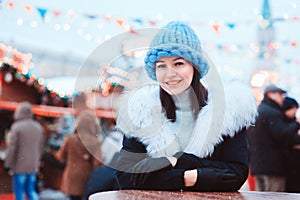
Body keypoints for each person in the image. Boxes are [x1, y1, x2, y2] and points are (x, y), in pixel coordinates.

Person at [114, 21, 257, 191]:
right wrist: (193, 176)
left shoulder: (227, 111)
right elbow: (126, 177)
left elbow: (236, 175)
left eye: (178, 64)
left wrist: (175, 161)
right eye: (161, 66)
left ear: (194, 66)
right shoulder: (141, 112)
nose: (170, 74)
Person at [248, 85, 300, 192]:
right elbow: (282, 134)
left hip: (259, 166)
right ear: (270, 94)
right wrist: (296, 124)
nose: (282, 98)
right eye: (280, 94)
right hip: (272, 167)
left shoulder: (259, 110)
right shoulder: (272, 113)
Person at [55, 110, 103, 200]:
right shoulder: (95, 141)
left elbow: (61, 157)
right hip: (86, 177)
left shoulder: (70, 139)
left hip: (71, 176)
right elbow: (98, 163)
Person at [4, 102, 45, 200]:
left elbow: (12, 148)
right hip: (33, 166)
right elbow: (40, 147)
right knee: (31, 190)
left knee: (19, 191)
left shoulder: (17, 127)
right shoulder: (38, 127)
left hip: (20, 165)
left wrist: (8, 164)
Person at [282, 97, 300, 192]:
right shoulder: (285, 122)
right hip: (289, 165)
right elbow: (288, 138)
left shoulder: (291, 122)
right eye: (294, 109)